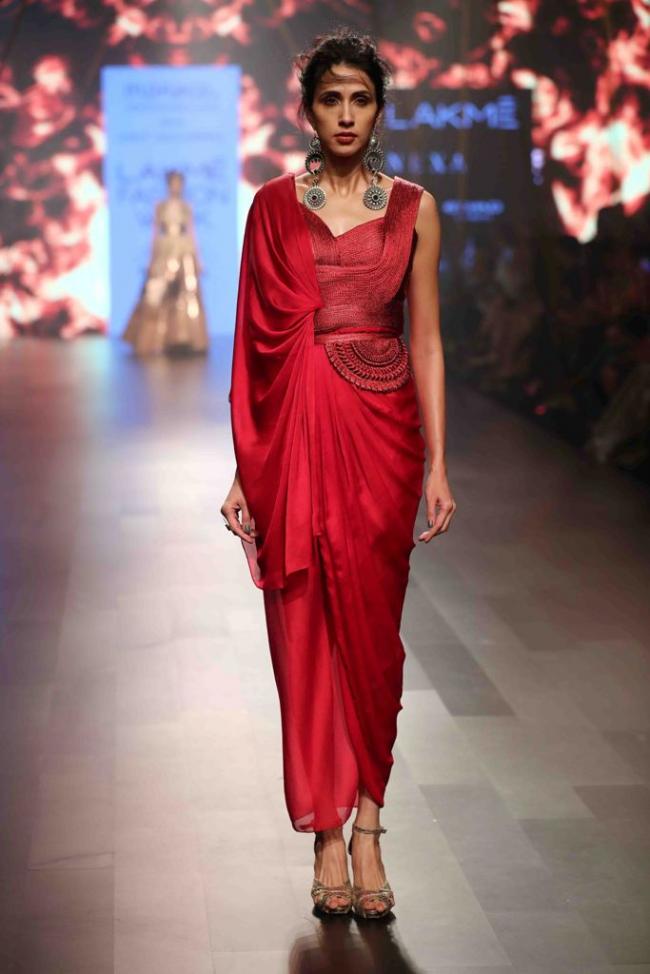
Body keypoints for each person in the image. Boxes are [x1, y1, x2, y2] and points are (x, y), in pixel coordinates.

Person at [222, 28, 455, 919]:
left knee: (371, 632)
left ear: (379, 109)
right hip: (293, 437)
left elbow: (426, 340)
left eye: (361, 98)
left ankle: (369, 826)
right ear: (308, 112)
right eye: (331, 99)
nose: (346, 114)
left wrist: (439, 462)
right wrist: (244, 466)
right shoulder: (273, 208)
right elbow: (255, 345)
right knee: (304, 628)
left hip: (383, 434)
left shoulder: (415, 209)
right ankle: (326, 835)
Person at [122, 169, 209, 355]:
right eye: (173, 183)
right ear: (168, 184)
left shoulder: (186, 206)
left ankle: (185, 338)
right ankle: (153, 341)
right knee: (157, 291)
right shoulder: (160, 206)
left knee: (188, 291)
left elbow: (192, 232)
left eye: (179, 183)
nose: (176, 186)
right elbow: (154, 233)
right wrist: (151, 259)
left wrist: (198, 259)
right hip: (164, 249)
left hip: (184, 248)